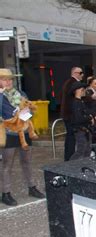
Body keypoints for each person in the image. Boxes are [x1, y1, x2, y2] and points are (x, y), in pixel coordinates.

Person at [0, 68, 44, 205]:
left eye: (9, 79)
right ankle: (5, 193)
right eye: (4, 79)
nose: (8, 82)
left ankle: (32, 187)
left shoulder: (20, 93)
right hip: (8, 133)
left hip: (24, 133)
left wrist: (25, 114)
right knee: (7, 165)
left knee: (27, 162)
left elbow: (30, 112)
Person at [60, 66, 84, 161]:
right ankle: (69, 157)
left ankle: (69, 156)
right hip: (70, 114)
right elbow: (73, 99)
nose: (82, 75)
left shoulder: (68, 82)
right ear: (75, 73)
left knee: (71, 136)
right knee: (71, 136)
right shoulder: (73, 83)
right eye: (80, 72)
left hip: (68, 113)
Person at [70, 82, 94, 160]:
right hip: (80, 130)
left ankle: (84, 167)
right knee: (81, 150)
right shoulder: (76, 103)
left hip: (85, 129)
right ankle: (69, 167)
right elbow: (78, 118)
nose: (84, 91)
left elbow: (86, 112)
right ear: (78, 91)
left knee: (87, 150)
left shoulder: (81, 102)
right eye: (83, 89)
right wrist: (89, 118)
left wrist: (89, 116)